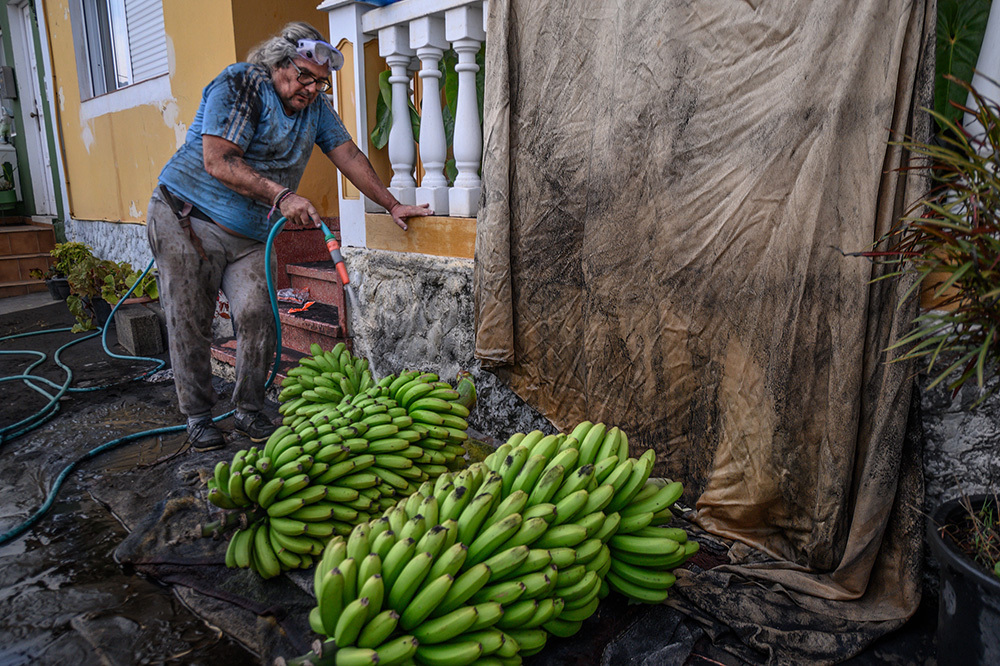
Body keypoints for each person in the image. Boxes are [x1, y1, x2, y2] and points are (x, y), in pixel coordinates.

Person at [147, 22, 431, 451]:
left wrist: (391, 203)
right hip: (188, 218)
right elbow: (219, 160)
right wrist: (282, 196)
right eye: (305, 77)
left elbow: (348, 153)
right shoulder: (242, 83)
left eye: (320, 82)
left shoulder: (315, 109)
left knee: (259, 314)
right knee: (191, 320)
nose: (313, 88)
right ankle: (199, 417)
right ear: (279, 62)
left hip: (249, 234)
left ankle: (247, 410)